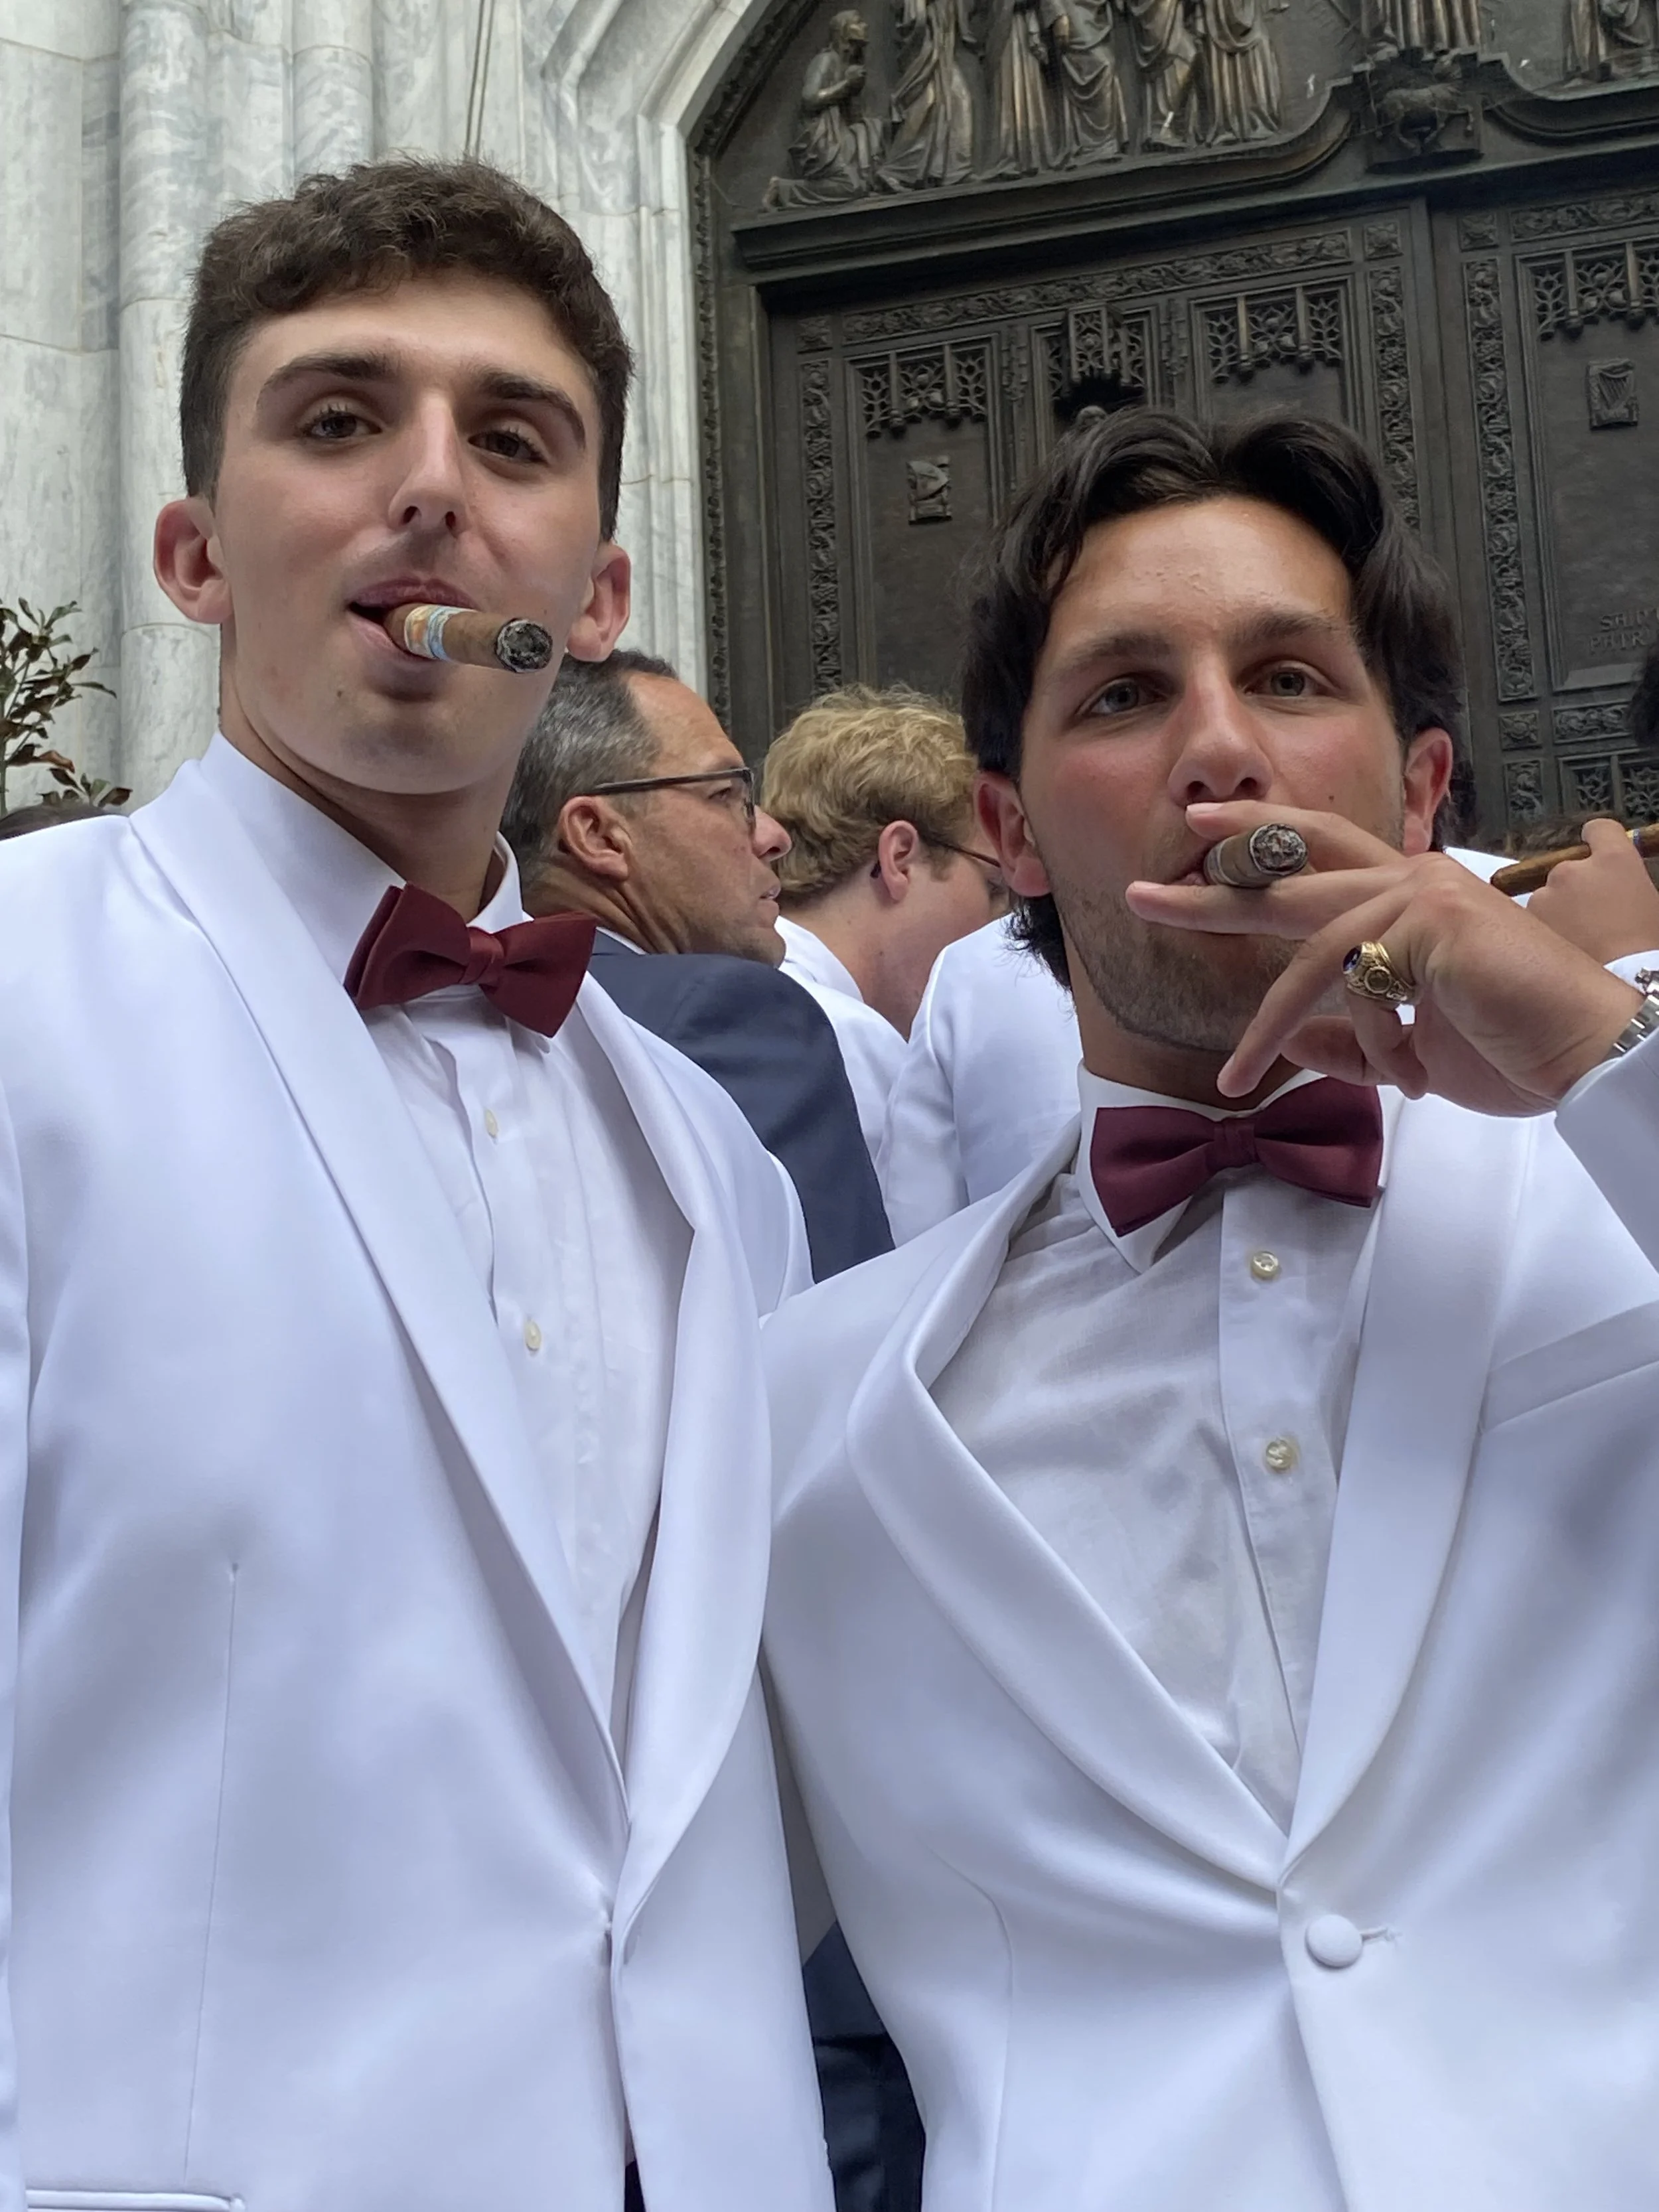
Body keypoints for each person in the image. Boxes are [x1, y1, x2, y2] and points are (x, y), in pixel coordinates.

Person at [0, 157, 835, 2212]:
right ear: (196, 553)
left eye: (513, 437)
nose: (431, 488)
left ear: (598, 596)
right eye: (338, 417)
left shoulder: (719, 1166)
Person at [760, 407, 1659, 2212]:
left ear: (1419, 794)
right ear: (1003, 830)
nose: (1219, 745)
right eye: (1120, 695)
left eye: (1285, 675)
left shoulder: (1614, 1200)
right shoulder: (813, 1408)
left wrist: (1583, 1038)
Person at [504, 650, 891, 1281]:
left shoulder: (435, 1001)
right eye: (726, 794)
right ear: (599, 836)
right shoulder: (730, 1015)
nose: (772, 834)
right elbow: (847, 1336)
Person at [762, 686, 1006, 1158]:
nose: (1004, 921)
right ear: (900, 858)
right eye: (994, 885)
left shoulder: (736, 985)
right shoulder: (842, 1037)